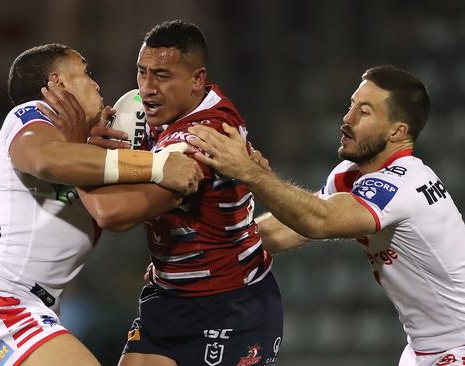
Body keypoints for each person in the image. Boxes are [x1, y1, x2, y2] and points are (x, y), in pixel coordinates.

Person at [0, 43, 204, 366]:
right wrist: (158, 166)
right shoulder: (31, 114)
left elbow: (112, 215)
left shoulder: (91, 160)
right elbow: (45, 159)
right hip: (1, 307)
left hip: (15, 314)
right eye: (85, 72)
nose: (95, 84)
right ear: (58, 84)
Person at [187, 65, 465, 366]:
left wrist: (249, 172)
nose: (348, 119)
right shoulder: (351, 175)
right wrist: (194, 254)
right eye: (351, 105)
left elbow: (319, 221)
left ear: (397, 132)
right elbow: (284, 230)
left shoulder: (403, 183)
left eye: (365, 112)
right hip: (423, 349)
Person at [76, 20, 283, 366]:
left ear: (197, 79)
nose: (147, 88)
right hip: (169, 294)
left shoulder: (203, 140)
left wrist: (82, 163)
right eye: (142, 72)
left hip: (229, 305)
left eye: (162, 75)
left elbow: (112, 214)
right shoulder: (153, 110)